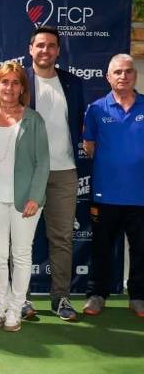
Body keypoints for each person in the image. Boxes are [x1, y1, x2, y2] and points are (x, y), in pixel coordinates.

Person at [0, 62, 49, 332]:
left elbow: (43, 162)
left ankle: (16, 308)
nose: (9, 87)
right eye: (4, 82)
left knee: (20, 254)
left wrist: (36, 195)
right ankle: (0, 305)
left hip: (26, 201)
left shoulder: (34, 119)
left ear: (22, 88)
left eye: (15, 82)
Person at [24, 25, 84, 321]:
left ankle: (61, 298)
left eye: (51, 46)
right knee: (22, 239)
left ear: (58, 50)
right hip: (27, 174)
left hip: (64, 172)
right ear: (30, 49)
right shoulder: (17, 82)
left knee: (61, 238)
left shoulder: (72, 83)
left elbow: (77, 125)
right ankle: (21, 298)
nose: (45, 50)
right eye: (40, 45)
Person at [82, 54, 144, 318]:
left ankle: (139, 296)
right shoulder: (96, 109)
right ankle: (97, 295)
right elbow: (89, 147)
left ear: (135, 76)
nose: (123, 76)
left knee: (141, 250)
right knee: (101, 248)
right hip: (105, 193)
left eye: (128, 71)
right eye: (117, 72)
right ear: (108, 77)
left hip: (140, 195)